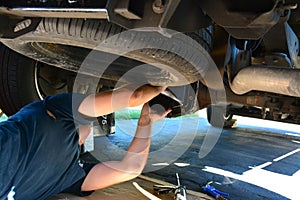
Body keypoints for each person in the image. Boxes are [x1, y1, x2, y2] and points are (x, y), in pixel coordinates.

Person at [0, 84, 171, 200]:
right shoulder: (71, 174)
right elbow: (131, 167)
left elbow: (135, 96)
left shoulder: (52, 109)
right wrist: (145, 123)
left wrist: (146, 119)